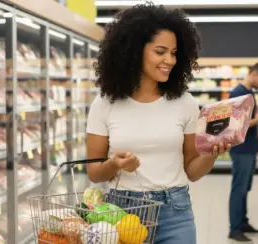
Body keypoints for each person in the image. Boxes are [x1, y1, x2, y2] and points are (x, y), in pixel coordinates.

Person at [86, 3, 230, 244]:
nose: (169, 60)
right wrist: (114, 164)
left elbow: (192, 171)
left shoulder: (184, 102)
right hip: (121, 215)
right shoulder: (105, 104)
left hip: (175, 212)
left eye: (174, 53)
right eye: (160, 51)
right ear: (133, 51)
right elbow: (94, 172)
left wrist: (212, 154)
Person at [228, 63, 258, 243]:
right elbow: (237, 125)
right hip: (241, 149)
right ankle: (235, 229)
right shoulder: (238, 93)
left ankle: (243, 222)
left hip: (250, 148)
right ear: (254, 74)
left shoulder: (249, 93)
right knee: (239, 189)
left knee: (245, 188)